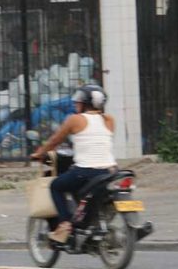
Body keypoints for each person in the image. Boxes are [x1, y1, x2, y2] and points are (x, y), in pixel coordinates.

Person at [30, 84, 116, 244]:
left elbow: (55, 140)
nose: (75, 104)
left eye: (78, 101)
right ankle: (89, 220)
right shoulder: (109, 120)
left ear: (85, 103)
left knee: (56, 186)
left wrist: (40, 153)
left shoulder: (75, 120)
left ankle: (64, 225)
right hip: (110, 171)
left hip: (87, 171)